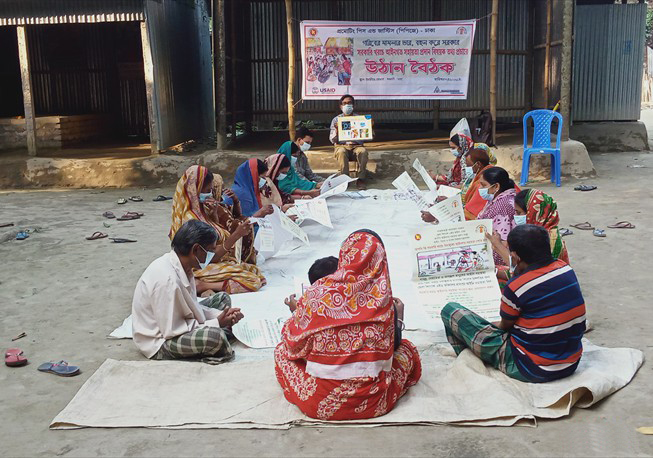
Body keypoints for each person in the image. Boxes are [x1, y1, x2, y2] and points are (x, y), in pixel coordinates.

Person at [274, 230, 422, 421]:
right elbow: (393, 348)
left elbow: (294, 346)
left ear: (344, 256)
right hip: (375, 403)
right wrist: (398, 319)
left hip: (320, 404)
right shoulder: (382, 300)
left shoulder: (316, 293)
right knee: (407, 350)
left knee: (281, 352)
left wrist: (297, 319)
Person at [441, 224, 586, 383]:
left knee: (451, 311)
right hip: (571, 363)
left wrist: (483, 323)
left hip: (532, 367)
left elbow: (504, 327)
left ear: (516, 257)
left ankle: (468, 355)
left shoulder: (517, 286)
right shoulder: (564, 268)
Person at [132, 220, 244, 364]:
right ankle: (219, 337)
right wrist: (216, 323)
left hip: (176, 324)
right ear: (196, 250)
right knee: (214, 337)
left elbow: (192, 306)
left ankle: (221, 332)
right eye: (210, 251)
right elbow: (172, 330)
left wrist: (220, 316)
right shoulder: (167, 281)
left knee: (223, 299)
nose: (212, 255)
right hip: (161, 341)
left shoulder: (182, 267)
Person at [170, 165, 266, 294]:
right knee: (252, 280)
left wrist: (215, 214)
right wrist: (236, 235)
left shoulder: (202, 210)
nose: (211, 193)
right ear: (195, 189)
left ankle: (209, 284)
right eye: (208, 190)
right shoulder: (190, 219)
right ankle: (203, 285)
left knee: (255, 272)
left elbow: (214, 235)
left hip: (215, 259)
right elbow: (209, 256)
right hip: (199, 266)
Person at [488, 189, 571, 284]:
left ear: (534, 212)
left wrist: (498, 245)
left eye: (519, 213)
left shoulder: (550, 240)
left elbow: (526, 272)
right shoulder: (536, 233)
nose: (515, 216)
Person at [476, 167, 517, 267]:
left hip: (501, 259)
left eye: (483, 185)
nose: (480, 188)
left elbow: (500, 242)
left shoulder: (503, 205)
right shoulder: (499, 198)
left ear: (496, 186)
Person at [329, 94, 369, 189]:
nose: (347, 105)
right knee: (341, 152)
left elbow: (369, 138)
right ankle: (345, 179)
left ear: (353, 105)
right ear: (341, 106)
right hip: (341, 146)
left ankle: (361, 179)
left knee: (363, 152)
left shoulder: (360, 119)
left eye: (349, 103)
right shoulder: (336, 120)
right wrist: (337, 130)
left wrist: (369, 128)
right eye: (344, 103)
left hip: (357, 146)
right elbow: (332, 140)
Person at [462, 148, 493, 219]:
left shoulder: (485, 181)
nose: (467, 168)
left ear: (478, 164)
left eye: (469, 165)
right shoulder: (484, 174)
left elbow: (473, 211)